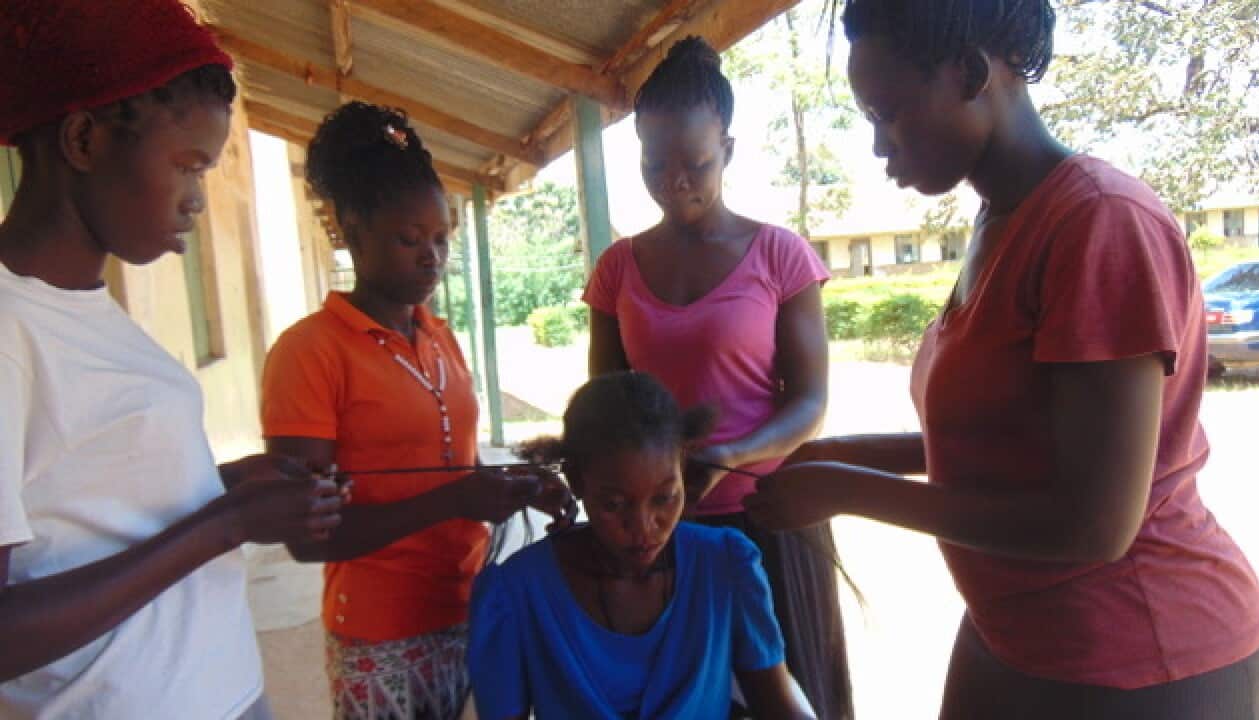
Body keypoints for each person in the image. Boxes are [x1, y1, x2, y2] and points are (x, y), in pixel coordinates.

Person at [745, 1, 1259, 718]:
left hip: (1141, 652)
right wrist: (850, 454)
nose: (879, 146)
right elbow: (1020, 441)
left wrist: (845, 490)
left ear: (968, 72)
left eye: (889, 111)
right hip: (1017, 630)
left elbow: (1095, 524)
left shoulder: (1099, 221)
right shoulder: (1001, 219)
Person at [0, 1, 343, 717]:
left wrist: (226, 488)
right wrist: (222, 524)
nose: (195, 200)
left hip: (220, 691)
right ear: (85, 139)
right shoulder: (9, 327)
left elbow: (81, 510)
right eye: (188, 165)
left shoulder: (86, 310)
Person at [260, 101, 567, 720]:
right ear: (352, 229)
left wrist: (515, 484)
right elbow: (305, 536)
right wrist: (456, 499)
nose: (431, 256)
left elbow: (455, 465)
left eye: (440, 240)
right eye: (409, 239)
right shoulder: (310, 351)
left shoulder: (440, 338)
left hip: (468, 605)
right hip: (381, 633)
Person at [583, 35, 853, 718]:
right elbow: (603, 410)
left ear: (727, 151)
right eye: (654, 163)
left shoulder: (779, 256)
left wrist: (733, 453)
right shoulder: (617, 269)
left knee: (788, 694)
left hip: (770, 516)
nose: (675, 181)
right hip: (661, 530)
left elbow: (811, 401)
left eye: (696, 163)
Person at [467, 371, 815, 720]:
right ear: (575, 480)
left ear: (683, 467)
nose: (643, 526)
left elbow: (776, 701)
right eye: (615, 504)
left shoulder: (726, 566)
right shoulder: (515, 592)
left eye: (664, 498)